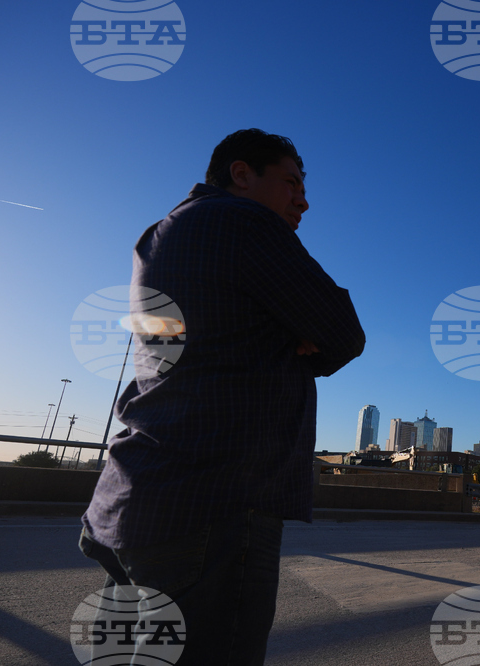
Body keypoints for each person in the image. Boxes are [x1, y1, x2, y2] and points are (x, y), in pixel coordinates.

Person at [79, 129, 366, 665]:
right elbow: (344, 332)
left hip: (130, 501)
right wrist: (302, 339)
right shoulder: (243, 220)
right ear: (241, 174)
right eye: (290, 182)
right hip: (213, 505)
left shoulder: (158, 236)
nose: (303, 200)